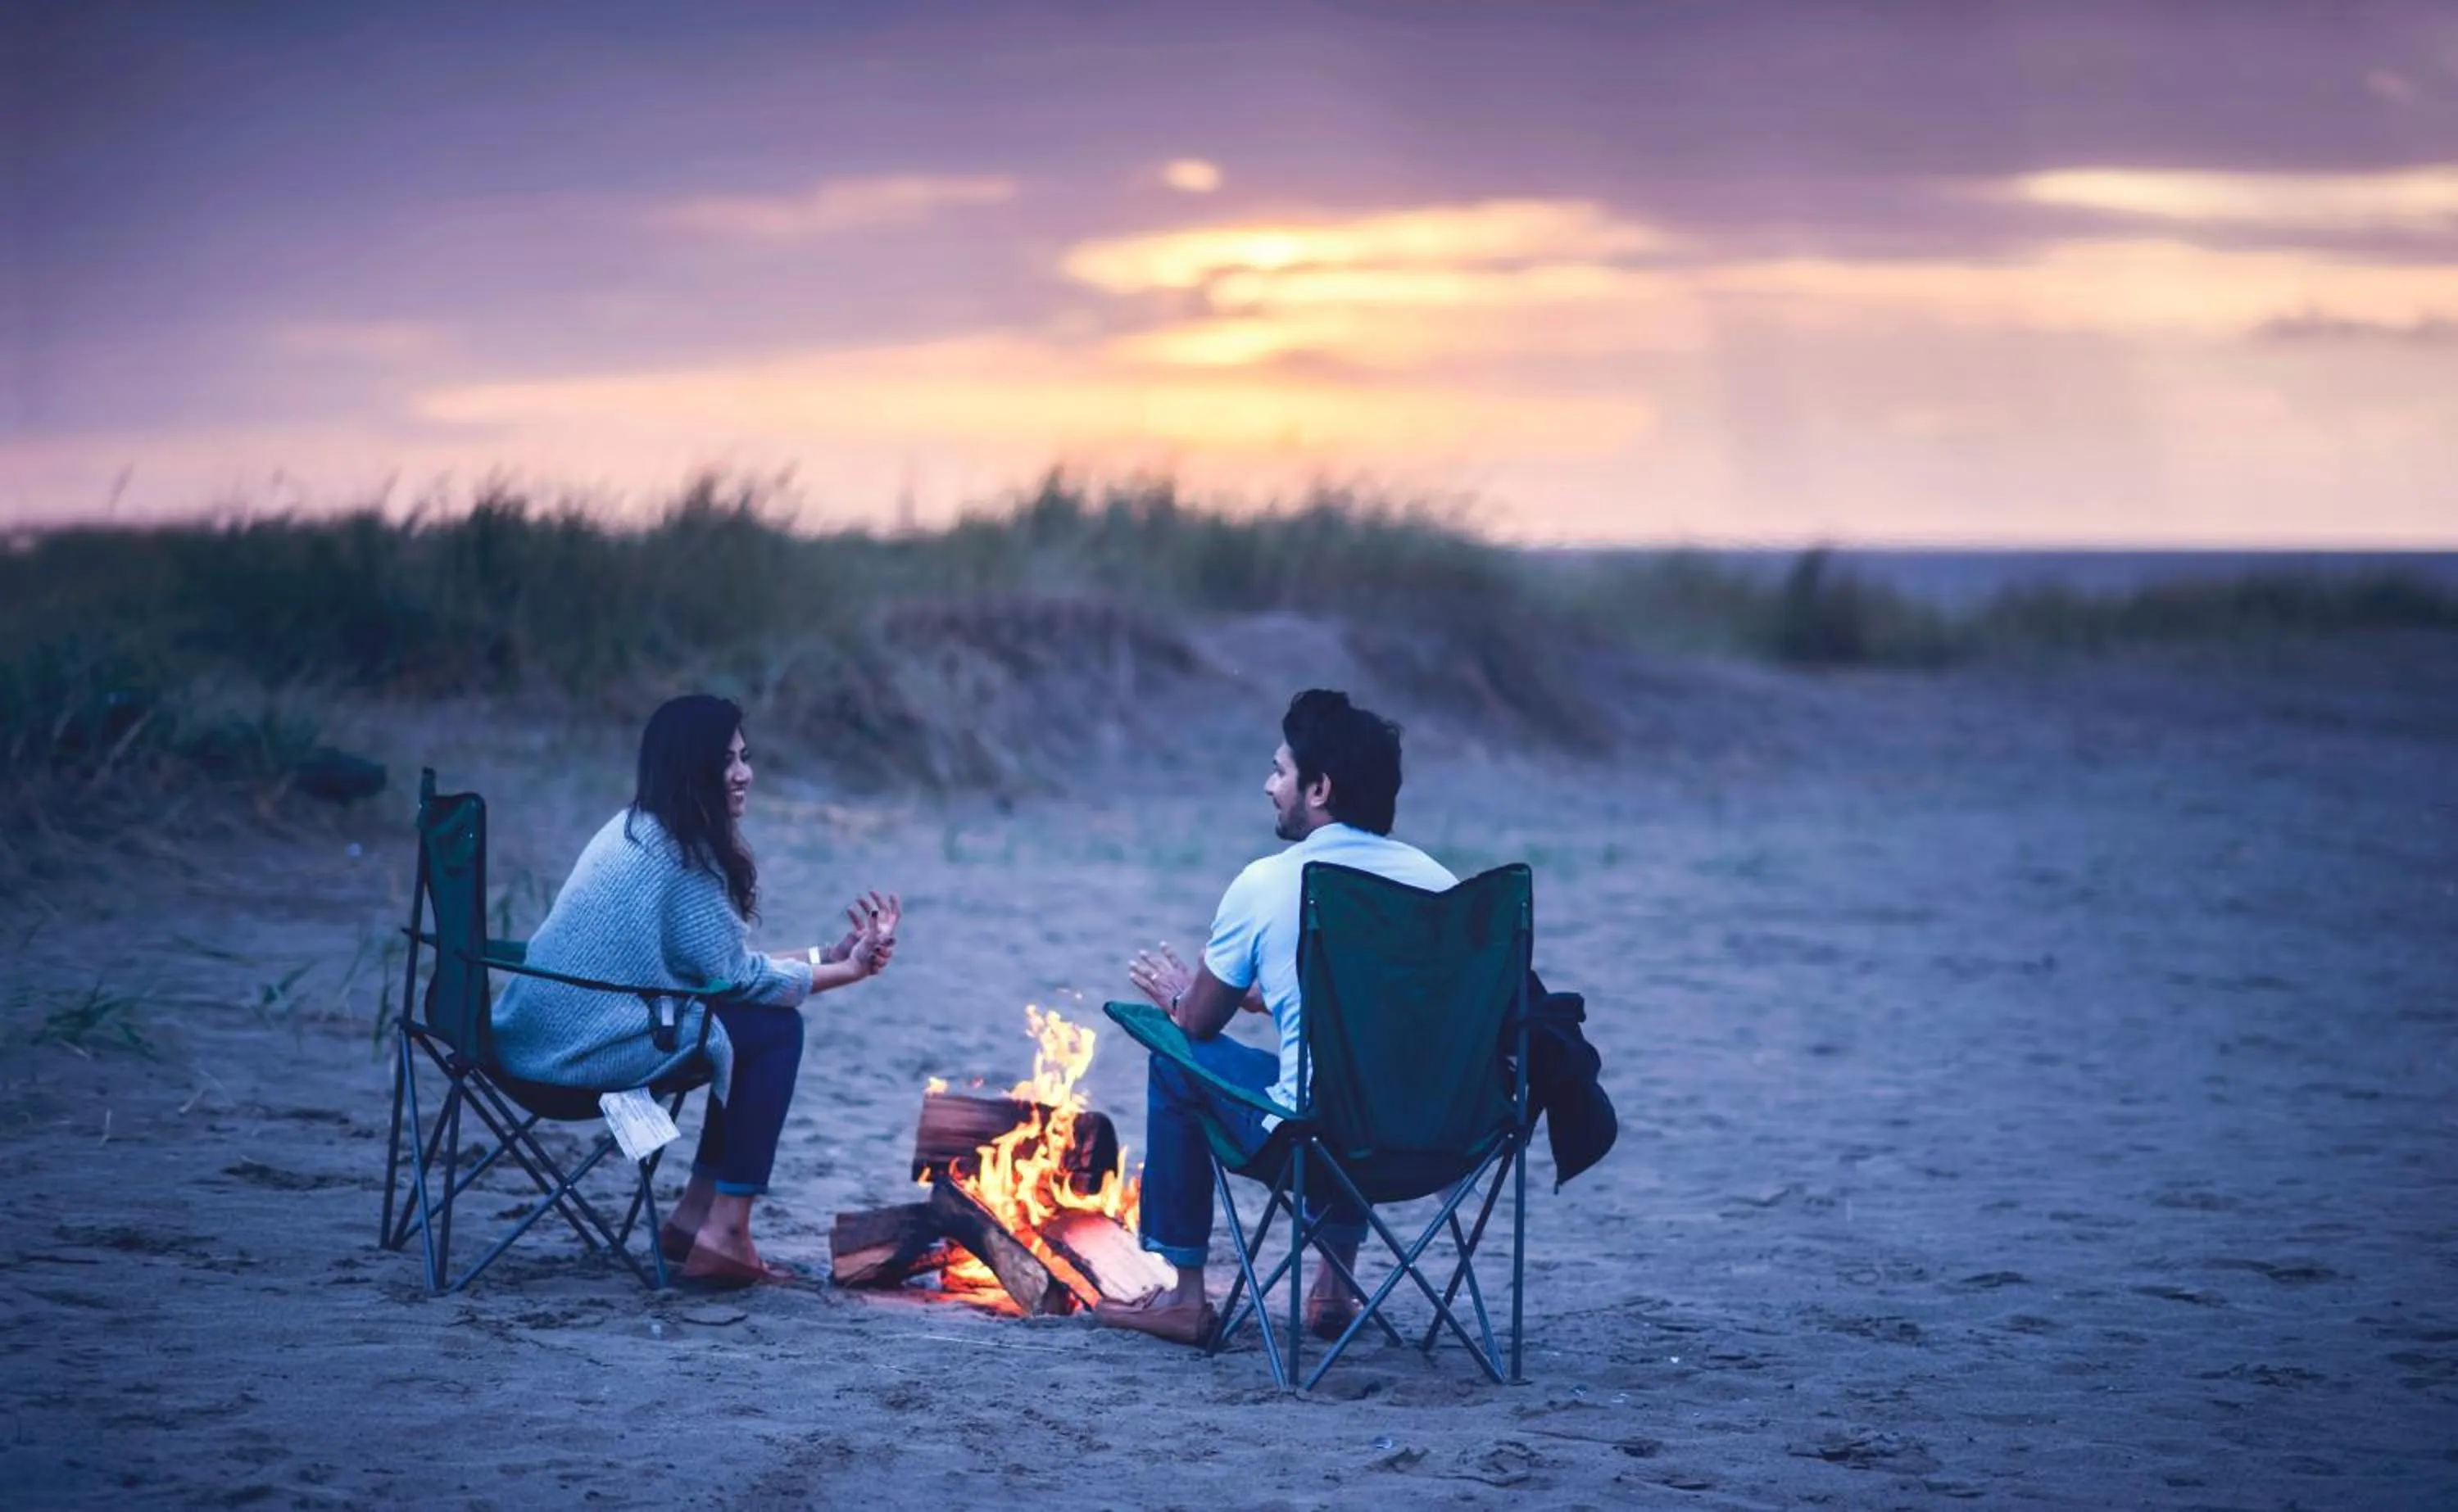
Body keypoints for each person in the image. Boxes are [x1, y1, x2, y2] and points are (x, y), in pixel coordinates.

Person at [491, 693, 900, 1288]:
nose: (744, 774)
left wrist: (828, 957)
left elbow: (721, 972)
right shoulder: (682, 856)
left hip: (536, 1033)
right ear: (691, 768)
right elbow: (741, 983)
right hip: (576, 1052)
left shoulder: (639, 827)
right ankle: (725, 1231)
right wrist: (854, 972)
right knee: (773, 1032)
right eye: (726, 760)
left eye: (745, 757)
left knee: (740, 1024)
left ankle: (694, 1220)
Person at [1098, 689, 1456, 1345]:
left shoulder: (1268, 882)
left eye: (1279, 771)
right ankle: (1332, 1290)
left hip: (1315, 1141)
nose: (1269, 786)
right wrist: (1278, 998)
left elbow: (1199, 1026)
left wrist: (1181, 999)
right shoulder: (1444, 889)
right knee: (1355, 1076)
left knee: (1176, 1059)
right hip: (1442, 1141)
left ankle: (1184, 1297)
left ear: (1318, 788)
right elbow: (1393, 1020)